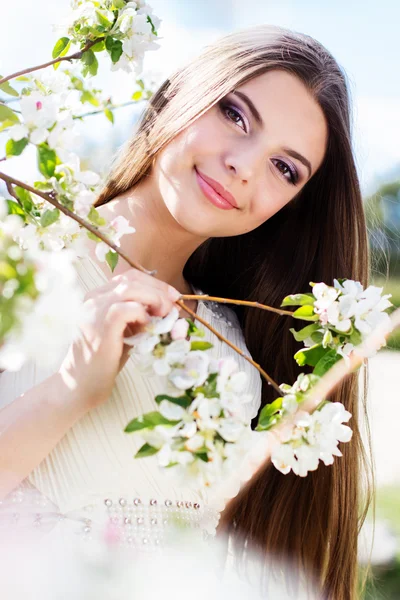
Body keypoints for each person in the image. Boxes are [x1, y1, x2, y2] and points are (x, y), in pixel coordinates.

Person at [0, 23, 371, 599]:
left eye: (285, 168)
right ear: (179, 93)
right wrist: (70, 391)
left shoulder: (237, 351)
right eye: (235, 114)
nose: (243, 165)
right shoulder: (20, 258)